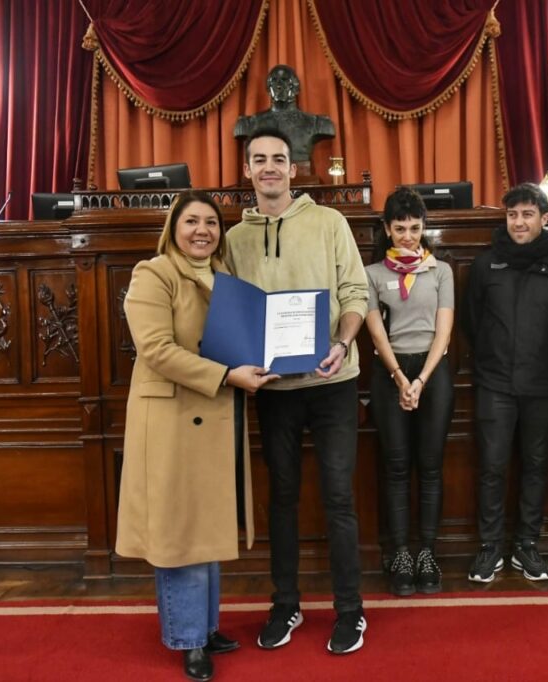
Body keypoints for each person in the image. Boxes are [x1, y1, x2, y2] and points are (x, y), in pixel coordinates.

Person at [116, 190, 279, 681]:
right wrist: (229, 376)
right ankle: (187, 640)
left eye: (211, 221)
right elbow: (156, 349)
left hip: (212, 413)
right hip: (173, 420)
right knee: (179, 531)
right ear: (174, 227)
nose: (202, 230)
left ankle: (205, 628)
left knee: (205, 527)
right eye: (191, 221)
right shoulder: (155, 273)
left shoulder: (225, 279)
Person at [224, 128, 370, 654]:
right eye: (259, 159)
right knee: (281, 500)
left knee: (338, 497)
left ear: (294, 168)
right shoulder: (233, 239)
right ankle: (285, 604)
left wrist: (342, 340)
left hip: (333, 381)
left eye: (278, 159)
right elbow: (233, 314)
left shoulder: (329, 223)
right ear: (247, 169)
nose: (269, 167)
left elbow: (356, 292)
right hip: (274, 389)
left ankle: (350, 611)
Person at [461, 182, 548, 583]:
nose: (519, 222)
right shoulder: (484, 264)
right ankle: (490, 546)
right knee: (492, 467)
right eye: (513, 214)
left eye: (528, 214)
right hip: (494, 384)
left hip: (544, 385)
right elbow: (473, 324)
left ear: (545, 219)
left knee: (536, 465)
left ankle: (526, 545)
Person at [365, 187, 455, 596]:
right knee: (396, 466)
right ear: (387, 229)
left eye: (415, 228)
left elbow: (444, 331)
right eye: (399, 228)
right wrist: (401, 377)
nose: (407, 236)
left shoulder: (440, 271)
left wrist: (420, 380)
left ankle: (427, 553)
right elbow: (376, 332)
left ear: (424, 228)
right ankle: (401, 553)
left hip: (432, 372)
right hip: (390, 373)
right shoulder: (372, 274)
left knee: (431, 465)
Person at [233, 64, 335, 173]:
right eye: (274, 81)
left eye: (285, 80)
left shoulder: (319, 124)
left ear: (296, 88)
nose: (279, 86)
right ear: (268, 88)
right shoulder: (248, 124)